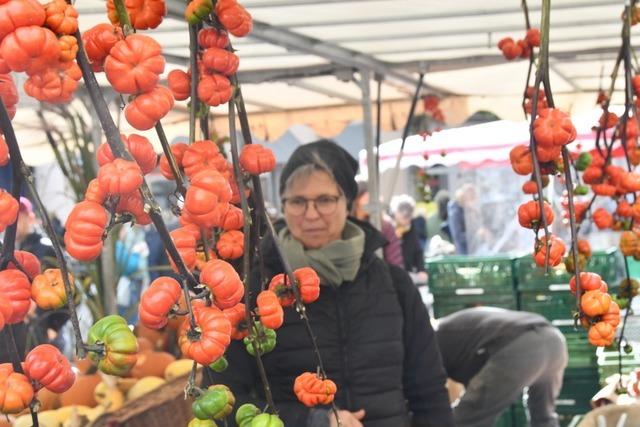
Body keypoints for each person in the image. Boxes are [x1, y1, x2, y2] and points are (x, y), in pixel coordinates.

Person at [206, 140, 454, 427]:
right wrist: (311, 422)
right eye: (298, 201)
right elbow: (224, 399)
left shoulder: (393, 285)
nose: (311, 214)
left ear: (347, 202)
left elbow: (429, 393)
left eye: (325, 200)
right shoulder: (251, 292)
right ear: (283, 205)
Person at [435, 307, 568, 427]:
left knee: (465, 418)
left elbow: (431, 394)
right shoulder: (449, 330)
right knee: (543, 418)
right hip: (554, 342)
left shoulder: (430, 341)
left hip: (521, 346)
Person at [351, 181, 404, 267]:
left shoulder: (385, 226)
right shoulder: (348, 226)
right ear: (357, 199)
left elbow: (395, 260)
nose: (372, 201)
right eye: (368, 197)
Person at [390, 194, 428, 283]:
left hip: (407, 271)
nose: (407, 221)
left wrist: (421, 270)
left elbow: (417, 250)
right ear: (396, 213)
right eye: (404, 217)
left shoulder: (410, 227)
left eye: (409, 217)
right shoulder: (389, 227)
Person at [447, 184, 476, 255]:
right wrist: (476, 235)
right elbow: (457, 236)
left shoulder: (468, 209)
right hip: (463, 252)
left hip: (473, 250)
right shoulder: (455, 211)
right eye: (471, 197)